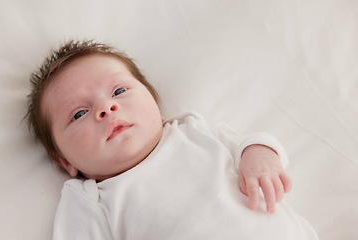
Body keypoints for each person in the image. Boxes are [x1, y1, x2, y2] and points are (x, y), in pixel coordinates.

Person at [25, 40, 318, 239]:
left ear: (154, 102)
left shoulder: (191, 130)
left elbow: (250, 143)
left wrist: (261, 157)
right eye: (78, 114)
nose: (106, 108)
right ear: (64, 160)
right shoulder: (91, 198)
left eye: (118, 92)